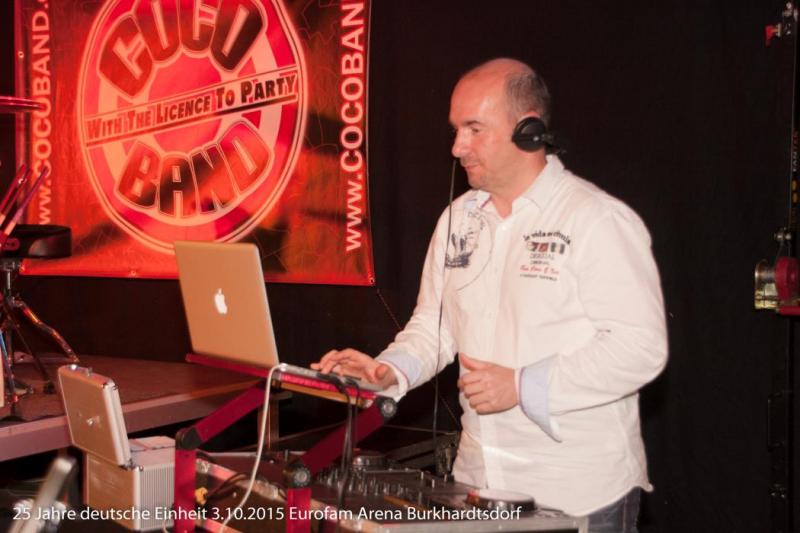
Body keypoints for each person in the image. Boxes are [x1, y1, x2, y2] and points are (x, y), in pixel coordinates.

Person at [313, 57, 667, 532]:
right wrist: (388, 370)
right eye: (456, 130)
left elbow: (640, 348)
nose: (457, 146)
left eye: (474, 129)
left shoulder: (595, 219)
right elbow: (434, 326)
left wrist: (522, 386)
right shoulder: (458, 219)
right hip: (477, 485)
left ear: (529, 131)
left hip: (579, 493)